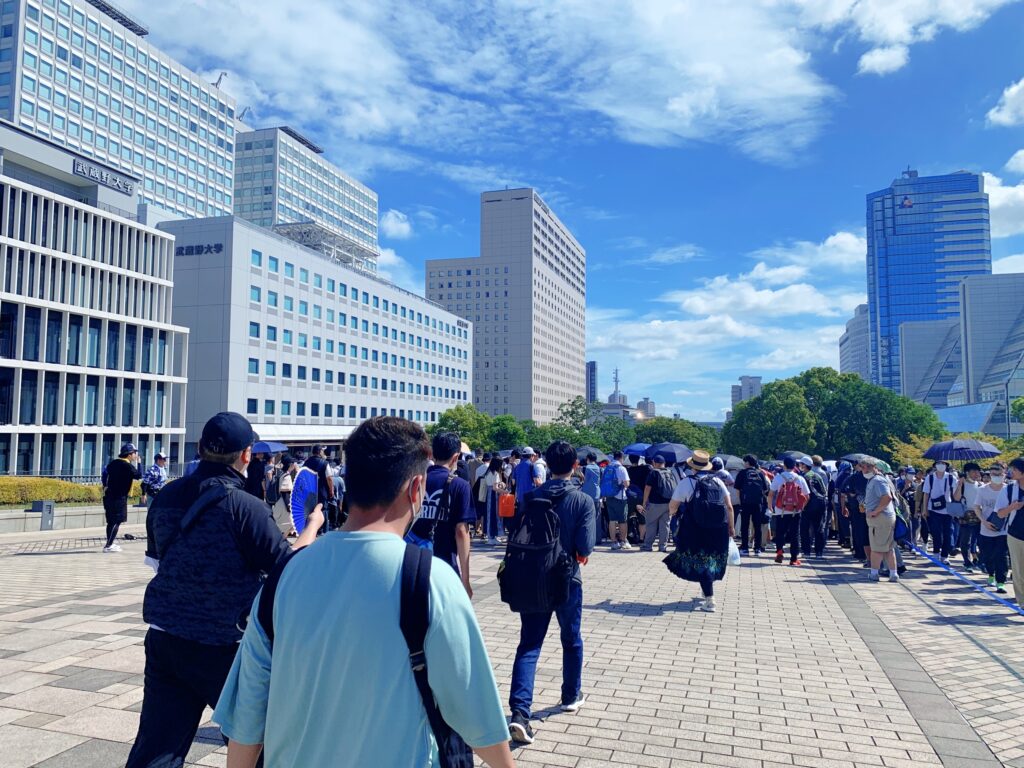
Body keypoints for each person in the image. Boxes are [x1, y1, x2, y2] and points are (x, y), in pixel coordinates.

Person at [213, 417, 515, 768]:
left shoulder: (284, 576)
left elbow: (248, 718)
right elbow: (475, 716)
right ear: (416, 489)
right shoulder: (430, 579)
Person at [127, 412, 321, 768]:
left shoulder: (167, 496)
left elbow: (156, 561)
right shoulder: (246, 508)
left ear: (201, 449)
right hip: (226, 647)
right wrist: (311, 529)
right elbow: (288, 573)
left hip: (166, 637)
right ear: (246, 455)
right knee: (254, 744)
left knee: (157, 747)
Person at [508, 441, 596, 745]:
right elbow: (585, 546)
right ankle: (571, 695)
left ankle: (520, 713)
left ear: (545, 462)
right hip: (567, 577)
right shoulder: (582, 500)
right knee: (571, 638)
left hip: (532, 577)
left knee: (529, 644)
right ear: (574, 465)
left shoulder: (532, 496)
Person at [407, 432, 476, 597]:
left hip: (412, 563)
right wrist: (465, 580)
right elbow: (461, 532)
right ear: (455, 457)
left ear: (431, 453)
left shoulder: (414, 481)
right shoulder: (460, 486)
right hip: (444, 565)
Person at [665, 450, 735, 612]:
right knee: (711, 559)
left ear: (692, 466)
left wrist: (673, 514)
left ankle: (710, 600)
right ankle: (706, 588)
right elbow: (729, 507)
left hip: (695, 528)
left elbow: (672, 506)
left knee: (701, 560)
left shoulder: (687, 482)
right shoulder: (718, 481)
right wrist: (730, 527)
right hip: (718, 528)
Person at [862, 458, 898, 583]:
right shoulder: (874, 480)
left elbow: (887, 497)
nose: (865, 470)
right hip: (883, 518)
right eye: (863, 467)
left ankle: (874, 573)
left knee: (877, 547)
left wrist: (875, 511)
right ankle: (893, 573)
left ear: (875, 467)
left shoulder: (878, 480)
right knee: (888, 547)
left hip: (880, 519)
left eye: (868, 467)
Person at [975, 463, 1010, 593]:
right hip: (986, 529)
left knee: (1001, 555)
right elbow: (977, 507)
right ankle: (991, 574)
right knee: (989, 555)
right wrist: (983, 521)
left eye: (999, 474)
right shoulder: (982, 489)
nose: (997, 477)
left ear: (1004, 474)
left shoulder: (1008, 489)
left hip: (1003, 529)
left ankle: (1001, 582)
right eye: (994, 474)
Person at [768, 457, 809, 566]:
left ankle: (779, 552)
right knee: (795, 534)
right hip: (795, 510)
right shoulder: (799, 478)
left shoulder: (778, 477)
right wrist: (802, 507)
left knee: (780, 532)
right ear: (794, 466)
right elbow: (807, 495)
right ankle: (794, 559)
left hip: (780, 509)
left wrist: (770, 506)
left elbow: (771, 494)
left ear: (784, 466)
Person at [102, 442, 141, 553]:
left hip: (109, 495)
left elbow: (105, 474)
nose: (135, 455)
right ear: (129, 454)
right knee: (117, 521)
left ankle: (110, 543)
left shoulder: (113, 463)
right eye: (134, 453)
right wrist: (139, 463)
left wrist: (105, 486)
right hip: (119, 497)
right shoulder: (127, 465)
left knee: (111, 521)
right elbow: (139, 475)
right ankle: (108, 545)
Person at [996, 457, 1024, 602]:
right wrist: (1012, 507)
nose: (1011, 472)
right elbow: (1000, 513)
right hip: (1015, 534)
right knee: (1018, 570)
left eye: (1015, 469)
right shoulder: (1008, 490)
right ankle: (1022, 602)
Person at [638, 455, 675, 552]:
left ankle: (648, 545)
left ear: (654, 463)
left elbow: (647, 488)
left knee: (651, 524)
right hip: (669, 503)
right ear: (664, 463)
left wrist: (644, 502)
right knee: (665, 525)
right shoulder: (669, 472)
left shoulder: (653, 473)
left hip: (655, 503)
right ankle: (662, 546)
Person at [922, 461, 956, 563]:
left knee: (948, 533)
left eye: (943, 464)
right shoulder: (930, 478)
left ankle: (945, 555)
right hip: (933, 509)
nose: (941, 465)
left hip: (948, 509)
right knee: (935, 532)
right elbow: (926, 494)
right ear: (935, 466)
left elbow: (955, 494)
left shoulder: (951, 478)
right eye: (939, 463)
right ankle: (936, 552)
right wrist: (925, 509)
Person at [734, 454, 768, 556]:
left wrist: (741, 501)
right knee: (757, 526)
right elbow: (765, 489)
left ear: (747, 463)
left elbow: (737, 490)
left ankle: (745, 547)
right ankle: (757, 548)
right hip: (758, 503)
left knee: (745, 525)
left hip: (745, 503)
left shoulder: (742, 473)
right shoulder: (760, 473)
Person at [954, 463, 983, 572]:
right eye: (974, 471)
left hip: (979, 515)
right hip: (965, 515)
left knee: (979, 539)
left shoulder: (980, 485)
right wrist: (959, 486)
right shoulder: (962, 484)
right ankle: (967, 561)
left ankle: (979, 560)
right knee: (966, 540)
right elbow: (956, 498)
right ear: (967, 472)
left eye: (977, 472)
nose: (976, 474)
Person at [798, 456, 828, 560]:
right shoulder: (817, 476)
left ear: (804, 465)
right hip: (820, 505)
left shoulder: (803, 477)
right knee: (819, 529)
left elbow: (804, 494)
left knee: (805, 529)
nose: (799, 466)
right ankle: (819, 552)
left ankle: (806, 551)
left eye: (800, 464)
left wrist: (802, 507)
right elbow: (824, 491)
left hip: (808, 506)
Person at [602, 450, 631, 550]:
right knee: (623, 520)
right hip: (620, 497)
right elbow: (626, 483)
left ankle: (614, 542)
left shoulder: (607, 467)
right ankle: (623, 541)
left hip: (609, 497)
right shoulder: (621, 468)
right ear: (621, 458)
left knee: (612, 520)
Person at [482, 456, 507, 545]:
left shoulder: (488, 472)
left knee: (490, 515)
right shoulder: (495, 473)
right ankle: (491, 536)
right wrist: (505, 491)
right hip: (493, 496)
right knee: (494, 515)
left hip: (489, 495)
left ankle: (492, 536)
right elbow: (495, 488)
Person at [626, 453, 650, 543]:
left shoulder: (627, 470)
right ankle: (641, 538)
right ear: (639, 459)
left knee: (627, 517)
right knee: (642, 518)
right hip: (641, 496)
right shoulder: (643, 469)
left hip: (629, 496)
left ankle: (627, 535)